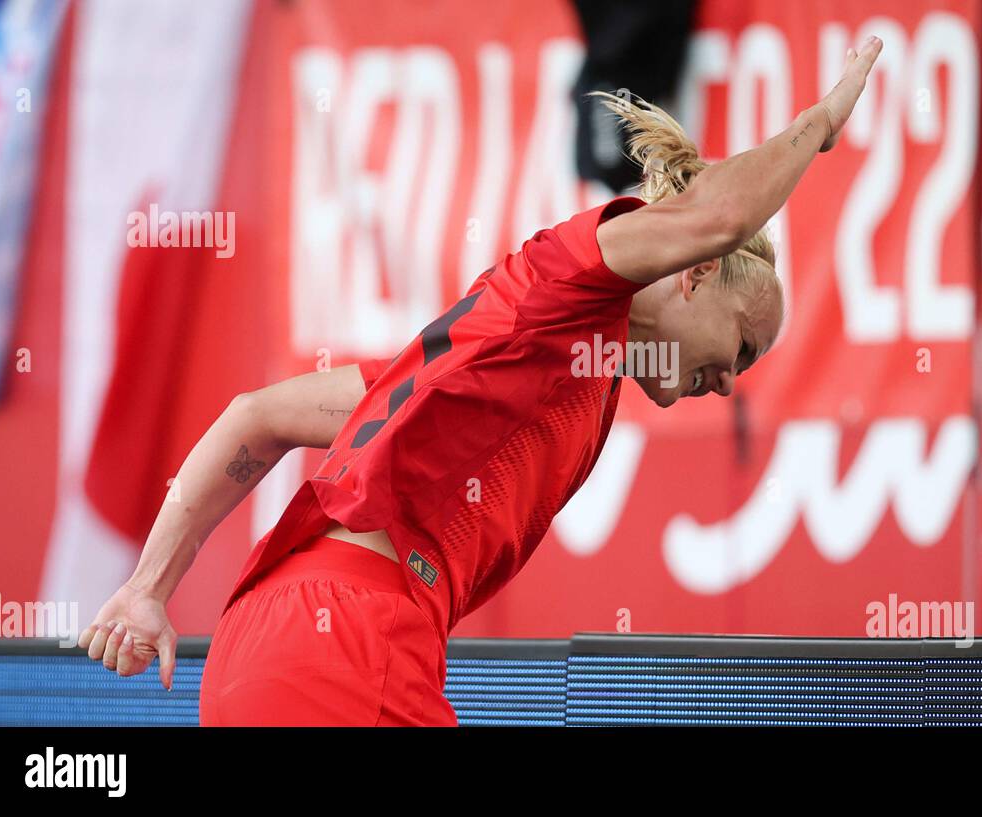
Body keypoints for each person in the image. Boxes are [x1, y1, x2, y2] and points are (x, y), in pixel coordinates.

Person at [76, 37, 884, 725]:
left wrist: (150, 589)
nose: (729, 383)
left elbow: (257, 416)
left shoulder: (511, 351)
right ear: (696, 273)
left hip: (264, 640)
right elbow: (721, 215)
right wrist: (820, 124)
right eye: (742, 349)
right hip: (347, 643)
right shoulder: (566, 280)